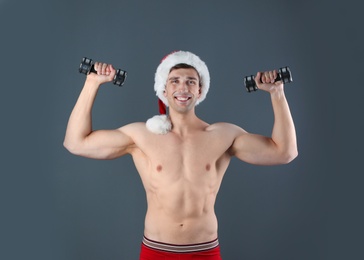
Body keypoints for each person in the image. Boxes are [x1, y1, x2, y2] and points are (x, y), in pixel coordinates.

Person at [64, 51, 298, 259]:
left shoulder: (224, 135)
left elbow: (284, 152)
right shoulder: (141, 135)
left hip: (205, 252)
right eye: (174, 81)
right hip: (156, 251)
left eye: (190, 82)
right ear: (164, 90)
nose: (183, 88)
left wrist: (277, 93)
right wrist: (92, 83)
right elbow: (76, 143)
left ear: (200, 89)